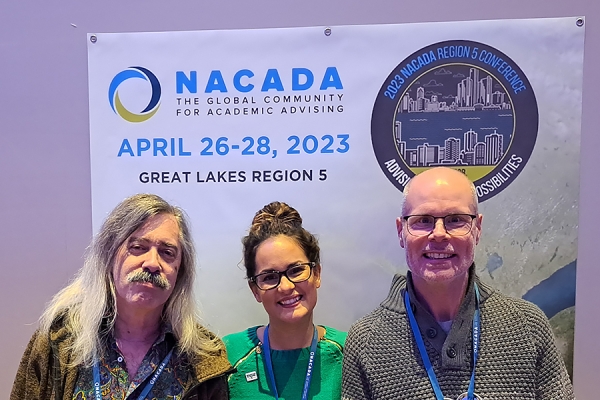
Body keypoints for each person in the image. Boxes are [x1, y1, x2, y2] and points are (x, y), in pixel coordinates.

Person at [342, 167, 574, 400]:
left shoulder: (528, 325)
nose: (439, 234)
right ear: (401, 231)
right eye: (423, 220)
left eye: (456, 220)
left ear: (477, 229)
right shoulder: (366, 340)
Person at [11, 193, 232, 400]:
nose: (153, 263)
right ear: (109, 256)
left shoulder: (203, 356)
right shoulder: (59, 340)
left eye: (167, 253)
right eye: (138, 247)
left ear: (180, 271)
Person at [223, 201, 346, 399]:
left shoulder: (350, 352)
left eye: (296, 270)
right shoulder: (228, 355)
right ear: (255, 290)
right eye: (270, 277)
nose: (286, 286)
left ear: (316, 274)